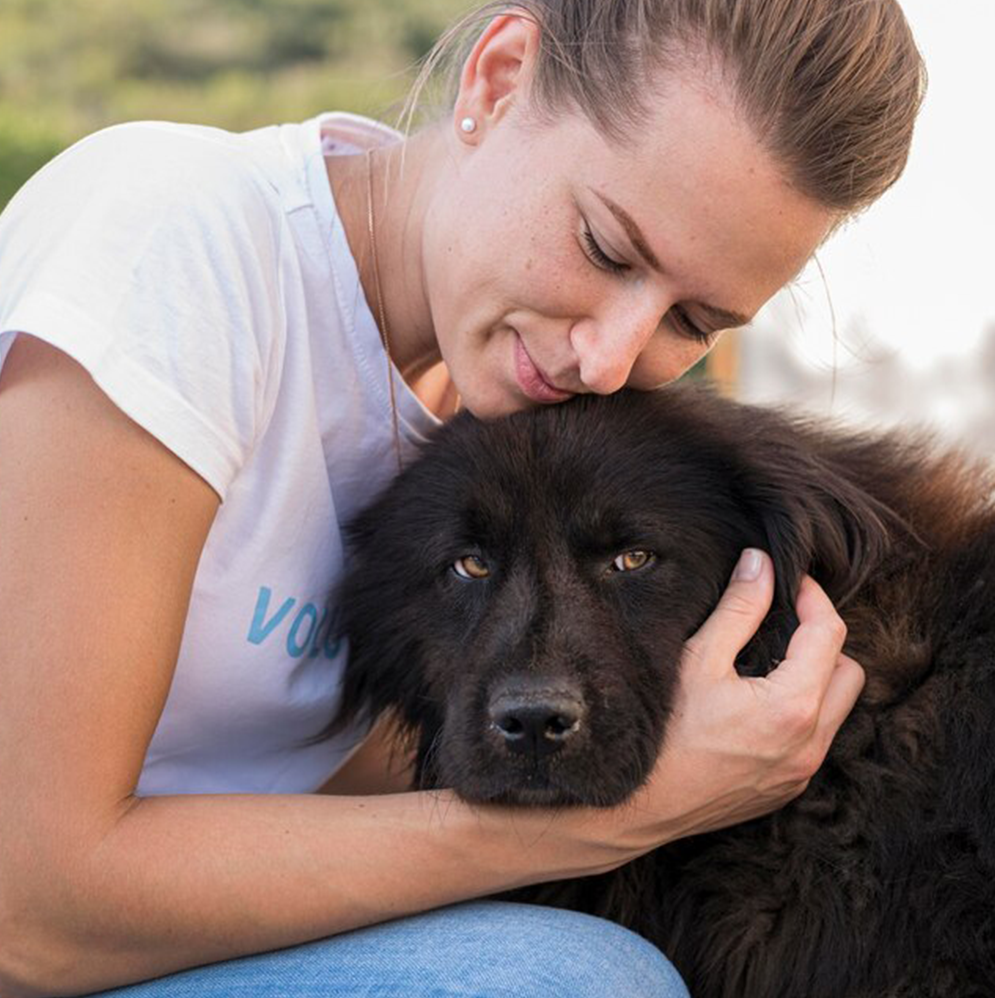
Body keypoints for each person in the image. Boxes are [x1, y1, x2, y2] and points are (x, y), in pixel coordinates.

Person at [0, 0, 925, 994]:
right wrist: (623, 814)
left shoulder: (483, 407)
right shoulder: (178, 247)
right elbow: (25, 911)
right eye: (605, 248)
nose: (609, 358)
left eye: (691, 321)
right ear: (498, 79)